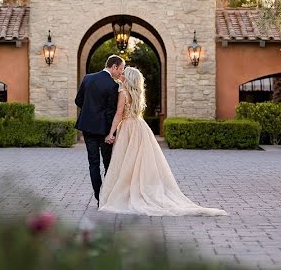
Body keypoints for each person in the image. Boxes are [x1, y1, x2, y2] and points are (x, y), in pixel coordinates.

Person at [98, 66, 227, 216]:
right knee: (138, 162)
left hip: (127, 128)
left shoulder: (123, 92)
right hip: (140, 127)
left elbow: (119, 114)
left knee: (126, 162)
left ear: (127, 78)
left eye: (123, 74)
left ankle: (125, 193)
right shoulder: (138, 94)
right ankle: (137, 188)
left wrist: (111, 133)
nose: (121, 75)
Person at [74, 54, 124, 204]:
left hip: (87, 127)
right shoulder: (113, 85)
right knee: (108, 162)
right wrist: (111, 133)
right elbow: (110, 112)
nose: (121, 73)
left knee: (93, 163)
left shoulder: (87, 78)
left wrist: (90, 111)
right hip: (104, 130)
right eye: (120, 69)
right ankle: (107, 196)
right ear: (114, 66)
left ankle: (98, 196)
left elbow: (78, 100)